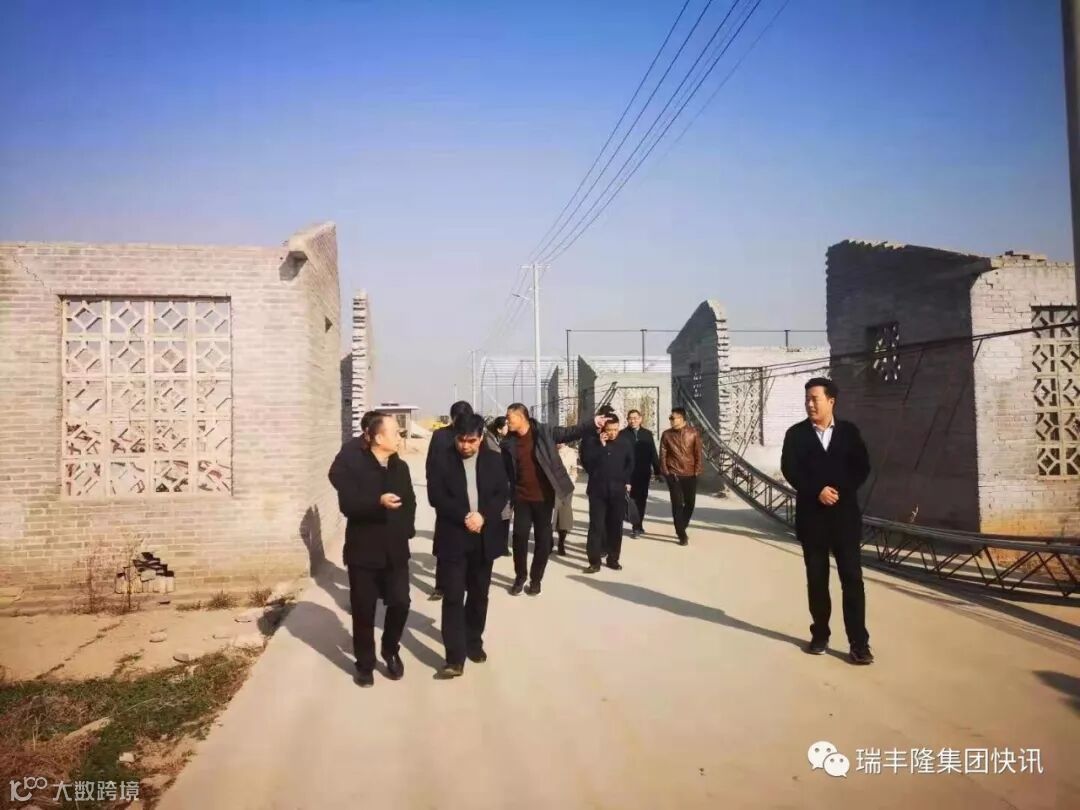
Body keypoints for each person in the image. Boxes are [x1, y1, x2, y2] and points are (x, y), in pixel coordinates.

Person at [780, 378, 873, 665]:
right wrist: (817, 490)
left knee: (852, 581)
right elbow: (790, 469)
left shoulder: (849, 432)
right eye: (807, 399)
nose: (809, 404)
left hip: (845, 519)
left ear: (831, 401)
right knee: (817, 581)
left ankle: (859, 643)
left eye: (815, 399)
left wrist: (839, 490)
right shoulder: (796, 435)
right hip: (813, 520)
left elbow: (862, 467)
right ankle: (820, 634)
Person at [328, 412, 417, 688]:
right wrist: (377, 501)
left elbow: (411, 502)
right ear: (379, 437)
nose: (400, 437)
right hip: (364, 551)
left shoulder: (400, 467)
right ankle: (365, 664)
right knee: (364, 610)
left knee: (401, 602)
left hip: (395, 550)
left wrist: (406, 530)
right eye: (395, 432)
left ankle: (390, 649)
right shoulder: (355, 465)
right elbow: (348, 505)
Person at [427, 413, 510, 680]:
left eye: (471, 440)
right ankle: (454, 658)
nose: (465, 445)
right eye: (461, 440)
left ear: (481, 437)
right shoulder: (442, 460)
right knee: (453, 596)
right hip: (453, 536)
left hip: (484, 538)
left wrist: (483, 516)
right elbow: (436, 496)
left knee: (478, 595)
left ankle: (473, 641)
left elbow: (502, 493)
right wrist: (465, 516)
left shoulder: (494, 460)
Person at [501, 404, 607, 596]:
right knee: (519, 537)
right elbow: (505, 471)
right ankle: (520, 577)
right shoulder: (508, 442)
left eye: (510, 417)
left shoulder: (544, 432)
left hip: (544, 497)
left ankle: (536, 580)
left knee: (543, 541)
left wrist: (592, 423)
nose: (507, 420)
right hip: (522, 497)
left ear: (522, 417)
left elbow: (570, 432)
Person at [425, 400, 474, 600]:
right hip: (446, 496)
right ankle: (441, 585)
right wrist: (435, 494)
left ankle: (467, 581)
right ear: (452, 418)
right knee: (445, 541)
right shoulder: (440, 436)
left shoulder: (475, 435)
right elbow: (430, 466)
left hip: (469, 495)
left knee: (470, 539)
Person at [580, 414, 634, 573]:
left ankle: (613, 559)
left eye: (616, 429)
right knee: (596, 527)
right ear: (603, 429)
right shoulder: (592, 443)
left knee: (615, 527)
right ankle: (594, 562)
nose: (613, 433)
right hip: (597, 491)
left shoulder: (625, 442)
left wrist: (626, 481)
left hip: (617, 491)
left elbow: (630, 463)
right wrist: (602, 447)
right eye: (609, 430)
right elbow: (588, 464)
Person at [659, 407, 704, 545]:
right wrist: (666, 472)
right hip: (674, 474)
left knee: (690, 503)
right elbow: (663, 454)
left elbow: (698, 452)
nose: (671, 420)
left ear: (682, 418)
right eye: (670, 418)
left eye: (673, 418)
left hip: (690, 474)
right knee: (677, 504)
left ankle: (681, 525)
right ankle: (681, 534)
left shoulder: (693, 433)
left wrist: (697, 470)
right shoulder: (667, 434)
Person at [620, 409, 662, 538]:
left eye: (635, 418)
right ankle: (635, 526)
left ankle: (639, 524)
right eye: (630, 418)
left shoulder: (647, 434)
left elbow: (653, 453)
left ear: (640, 419)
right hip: (628, 473)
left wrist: (658, 471)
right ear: (627, 420)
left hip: (643, 472)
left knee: (642, 499)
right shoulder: (622, 434)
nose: (633, 421)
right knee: (631, 499)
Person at [552, 442, 577, 556]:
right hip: (550, 487)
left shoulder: (571, 452)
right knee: (549, 516)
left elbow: (574, 470)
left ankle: (561, 543)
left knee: (564, 517)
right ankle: (548, 542)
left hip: (565, 487)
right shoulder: (549, 450)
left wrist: (571, 483)